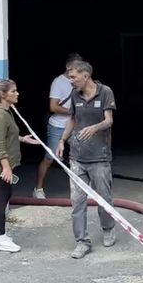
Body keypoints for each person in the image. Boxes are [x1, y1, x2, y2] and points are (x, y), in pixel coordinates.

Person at [56, 60, 117, 259]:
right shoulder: (75, 95)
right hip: (77, 157)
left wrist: (94, 127)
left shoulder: (105, 91)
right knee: (77, 202)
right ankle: (82, 241)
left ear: (85, 76)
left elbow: (109, 120)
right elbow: (72, 119)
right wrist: (62, 140)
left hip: (100, 157)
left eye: (73, 77)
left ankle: (108, 228)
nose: (70, 81)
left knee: (104, 198)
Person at [0, 79, 39, 253]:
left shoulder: (6, 112)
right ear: (3, 94)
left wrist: (22, 139)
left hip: (5, 165)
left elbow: (8, 135)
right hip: (0, 167)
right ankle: (0, 237)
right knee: (1, 199)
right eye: (13, 91)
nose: (17, 93)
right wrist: (5, 168)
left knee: (6, 195)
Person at [33, 53, 83, 199]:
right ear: (68, 67)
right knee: (49, 158)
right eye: (77, 67)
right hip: (58, 126)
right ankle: (38, 189)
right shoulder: (58, 82)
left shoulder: (80, 81)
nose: (80, 70)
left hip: (75, 125)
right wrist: (71, 111)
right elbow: (53, 107)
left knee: (80, 158)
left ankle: (82, 190)